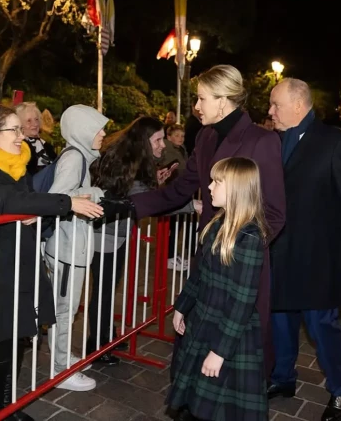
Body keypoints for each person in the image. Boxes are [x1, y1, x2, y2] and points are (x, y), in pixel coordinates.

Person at [130, 65, 286, 376]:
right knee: (194, 346)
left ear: (224, 99)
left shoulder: (262, 141)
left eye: (202, 99)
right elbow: (181, 190)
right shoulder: (204, 136)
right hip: (206, 258)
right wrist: (129, 204)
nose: (196, 107)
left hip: (239, 263)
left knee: (230, 355)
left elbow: (275, 212)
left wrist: (238, 245)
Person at [0, 105, 103, 420]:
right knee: (3, 338)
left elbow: (19, 201)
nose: (22, 136)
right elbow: (6, 201)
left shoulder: (12, 164)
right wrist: (67, 202)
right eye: (14, 130)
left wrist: (34, 210)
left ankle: (5, 407)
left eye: (21, 129)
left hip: (19, 259)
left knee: (18, 336)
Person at [267, 78, 341, 421]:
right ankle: (283, 379)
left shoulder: (334, 143)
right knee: (280, 322)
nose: (270, 112)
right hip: (278, 252)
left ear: (298, 105)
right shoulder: (272, 140)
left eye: (275, 105)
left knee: (321, 327)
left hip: (316, 257)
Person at [89, 116, 199, 365]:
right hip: (105, 235)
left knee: (107, 288)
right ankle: (97, 344)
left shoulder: (129, 159)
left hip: (112, 233)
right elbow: (149, 203)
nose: (163, 144)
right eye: (158, 139)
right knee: (104, 290)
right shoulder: (126, 163)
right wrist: (192, 205)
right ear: (142, 141)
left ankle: (105, 336)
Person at [168, 157, 269, 421]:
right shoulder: (217, 225)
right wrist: (182, 306)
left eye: (217, 182)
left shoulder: (249, 238)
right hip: (204, 320)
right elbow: (200, 274)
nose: (209, 187)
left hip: (230, 334)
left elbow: (242, 303)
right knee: (197, 398)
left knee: (220, 404)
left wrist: (220, 351)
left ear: (236, 189)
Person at [44, 104, 108, 392]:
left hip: (71, 247)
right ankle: (60, 371)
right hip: (67, 249)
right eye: (98, 128)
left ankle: (63, 358)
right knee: (64, 310)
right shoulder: (74, 158)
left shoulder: (79, 156)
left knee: (65, 309)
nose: (104, 133)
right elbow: (57, 198)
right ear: (82, 130)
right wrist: (93, 193)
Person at [163, 123, 192, 271]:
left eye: (182, 136)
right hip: (171, 192)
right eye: (177, 135)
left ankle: (172, 254)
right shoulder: (168, 150)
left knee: (176, 226)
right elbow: (178, 169)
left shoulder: (181, 150)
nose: (180, 138)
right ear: (169, 137)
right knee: (172, 227)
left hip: (178, 191)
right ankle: (169, 256)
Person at [15, 102, 57, 174]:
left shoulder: (46, 145)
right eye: (29, 121)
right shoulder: (18, 146)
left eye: (36, 119)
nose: (35, 124)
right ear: (20, 124)